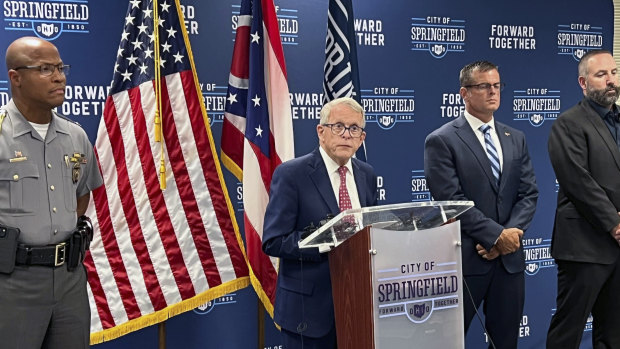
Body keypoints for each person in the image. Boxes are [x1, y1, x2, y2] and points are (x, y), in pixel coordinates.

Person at [424, 61, 538, 349]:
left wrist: (508, 237)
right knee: (447, 342)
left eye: (497, 85)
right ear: (464, 93)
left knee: (505, 343)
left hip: (508, 262)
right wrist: (495, 236)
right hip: (466, 261)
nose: (493, 91)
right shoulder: (442, 140)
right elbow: (451, 201)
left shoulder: (516, 138)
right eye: (484, 86)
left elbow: (529, 194)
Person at [0, 36, 103, 348]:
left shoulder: (75, 135)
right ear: (15, 77)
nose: (59, 77)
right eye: (45, 69)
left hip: (69, 278)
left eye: (60, 68)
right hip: (11, 282)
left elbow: (82, 195)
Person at [262, 97, 377, 348]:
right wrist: (326, 240)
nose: (346, 134)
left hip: (359, 309)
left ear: (362, 138)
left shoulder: (367, 175)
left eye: (354, 128)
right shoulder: (292, 174)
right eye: (338, 126)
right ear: (321, 131)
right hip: (308, 313)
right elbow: (274, 241)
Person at [546, 49, 620, 348]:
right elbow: (578, 182)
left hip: (617, 250)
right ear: (583, 82)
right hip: (584, 248)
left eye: (613, 72)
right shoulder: (569, 123)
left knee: (614, 334)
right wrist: (614, 224)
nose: (610, 80)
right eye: (601, 75)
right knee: (568, 332)